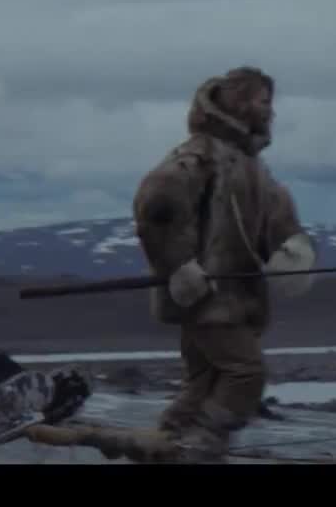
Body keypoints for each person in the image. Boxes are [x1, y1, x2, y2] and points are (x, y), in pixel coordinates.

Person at [132, 66, 317, 462]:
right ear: (241, 102)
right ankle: (201, 443)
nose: (270, 111)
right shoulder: (200, 155)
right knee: (245, 373)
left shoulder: (251, 165)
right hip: (208, 298)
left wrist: (291, 248)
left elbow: (276, 216)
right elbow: (158, 207)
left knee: (204, 381)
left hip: (232, 296)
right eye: (264, 101)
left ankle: (163, 444)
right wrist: (179, 267)